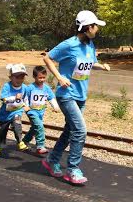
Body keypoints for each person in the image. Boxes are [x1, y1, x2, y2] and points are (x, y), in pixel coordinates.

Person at [41, 10, 110, 185]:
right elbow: (48, 58)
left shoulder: (90, 45)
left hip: (81, 95)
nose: (97, 30)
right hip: (66, 95)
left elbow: (90, 63)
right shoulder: (69, 45)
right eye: (95, 26)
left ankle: (51, 160)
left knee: (70, 130)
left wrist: (101, 66)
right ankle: (73, 169)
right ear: (87, 27)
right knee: (80, 131)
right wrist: (59, 77)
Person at [0, 64, 28, 158]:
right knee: (1, 132)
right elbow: (3, 99)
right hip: (5, 113)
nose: (19, 79)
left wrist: (26, 105)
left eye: (22, 77)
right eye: (17, 77)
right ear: (11, 77)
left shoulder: (24, 87)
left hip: (17, 111)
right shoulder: (7, 86)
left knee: (17, 124)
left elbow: (25, 98)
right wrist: (14, 98)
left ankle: (20, 141)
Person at [22, 65, 60, 155]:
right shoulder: (30, 87)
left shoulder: (46, 88)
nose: (42, 79)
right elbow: (25, 98)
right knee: (39, 126)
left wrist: (55, 106)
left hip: (41, 112)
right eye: (40, 77)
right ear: (34, 77)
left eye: (43, 77)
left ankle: (23, 142)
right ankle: (40, 146)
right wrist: (25, 106)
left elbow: (51, 97)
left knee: (35, 128)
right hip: (31, 111)